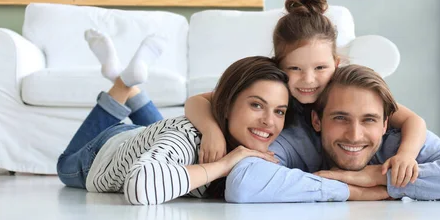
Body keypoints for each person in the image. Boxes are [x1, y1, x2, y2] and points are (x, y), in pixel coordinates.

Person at [185, 0, 428, 189]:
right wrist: (211, 131)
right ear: (279, 66)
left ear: (336, 63)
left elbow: (413, 120)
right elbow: (197, 100)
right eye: (295, 69)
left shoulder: (346, 90)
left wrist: (405, 155)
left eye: (320, 68)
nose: (309, 80)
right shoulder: (274, 86)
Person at [57, 30, 295, 205]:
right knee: (63, 164)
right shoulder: (185, 140)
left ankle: (125, 80)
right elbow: (141, 186)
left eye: (279, 111)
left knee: (157, 132)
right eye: (256, 105)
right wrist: (222, 165)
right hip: (102, 153)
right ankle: (122, 85)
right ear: (225, 105)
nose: (269, 121)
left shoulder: (266, 143)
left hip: (149, 138)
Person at [225, 65, 440, 202]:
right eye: (340, 118)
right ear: (317, 120)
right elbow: (244, 183)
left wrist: (376, 177)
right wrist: (350, 190)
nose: (354, 135)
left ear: (386, 124)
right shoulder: (298, 139)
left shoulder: (397, 142)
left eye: (369, 120)